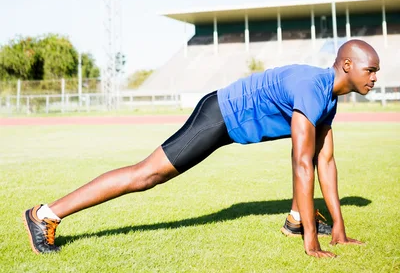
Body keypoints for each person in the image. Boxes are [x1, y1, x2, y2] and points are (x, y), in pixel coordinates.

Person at [24, 39, 379, 259]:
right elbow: (302, 164)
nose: (375, 77)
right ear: (347, 65)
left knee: (312, 155)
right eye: (371, 70)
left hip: (232, 120)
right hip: (220, 114)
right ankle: (45, 215)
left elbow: (325, 162)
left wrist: (338, 229)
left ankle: (298, 219)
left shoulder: (328, 98)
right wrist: (312, 247)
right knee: (147, 174)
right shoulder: (312, 88)